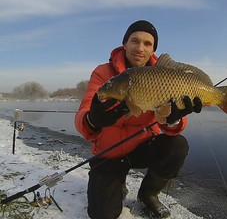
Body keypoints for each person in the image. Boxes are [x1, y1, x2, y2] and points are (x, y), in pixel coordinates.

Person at [75, 20, 202, 219]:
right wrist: (93, 119)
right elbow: (83, 116)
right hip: (109, 153)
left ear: (153, 50)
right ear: (125, 43)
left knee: (177, 145)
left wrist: (173, 120)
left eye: (147, 44)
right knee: (102, 215)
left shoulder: (165, 76)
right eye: (135, 41)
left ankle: (148, 194)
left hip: (142, 147)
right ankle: (117, 182)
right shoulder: (103, 73)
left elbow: (172, 127)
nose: (140, 48)